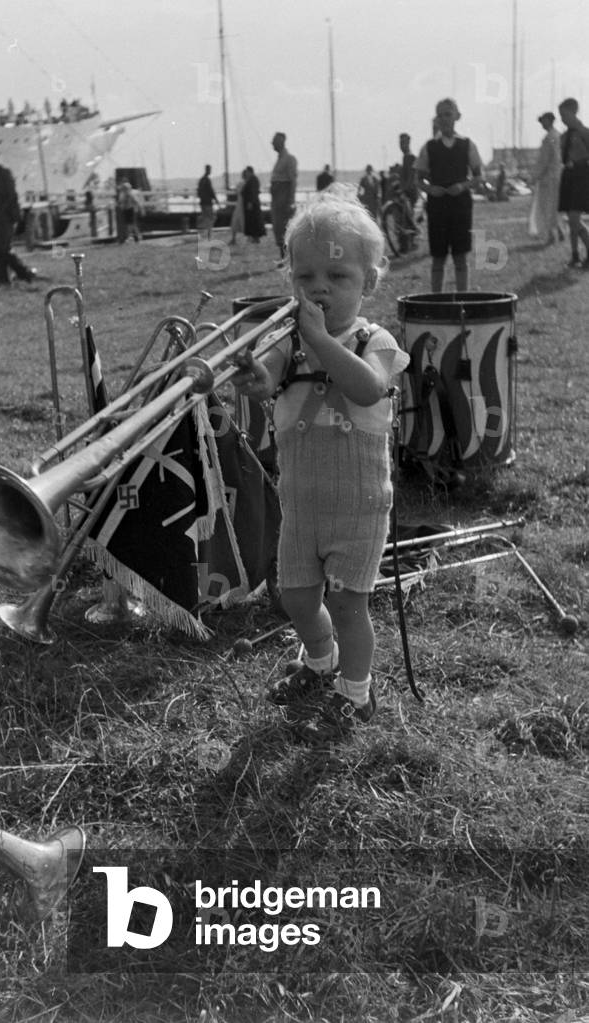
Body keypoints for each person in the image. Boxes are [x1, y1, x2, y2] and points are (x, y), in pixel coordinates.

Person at [231, 185, 410, 741]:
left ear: (370, 283)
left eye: (338, 279)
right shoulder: (288, 342)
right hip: (302, 499)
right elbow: (265, 380)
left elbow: (366, 388)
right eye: (306, 279)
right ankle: (320, 659)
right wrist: (253, 376)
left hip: (358, 503)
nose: (320, 290)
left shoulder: (372, 339)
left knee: (349, 601)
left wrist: (317, 340)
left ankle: (356, 690)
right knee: (297, 596)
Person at [415, 98, 482, 292]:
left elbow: (478, 177)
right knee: (438, 256)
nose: (444, 119)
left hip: (460, 204)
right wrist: (431, 189)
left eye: (448, 114)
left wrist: (462, 186)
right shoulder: (429, 147)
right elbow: (418, 179)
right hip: (437, 205)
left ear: (457, 117)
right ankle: (437, 301)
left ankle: (464, 298)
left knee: (460, 256)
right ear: (436, 119)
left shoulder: (467, 145)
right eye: (440, 115)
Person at [0, 147, 36, 286]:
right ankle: (2, 279)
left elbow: (11, 195)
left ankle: (25, 272)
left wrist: (3, 212)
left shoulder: (4, 173)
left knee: (4, 249)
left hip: (4, 217)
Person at [557, 97, 589, 268]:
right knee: (572, 219)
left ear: (574, 112)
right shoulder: (563, 137)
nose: (562, 118)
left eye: (564, 114)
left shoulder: (584, 133)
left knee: (575, 217)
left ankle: (575, 255)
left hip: (581, 174)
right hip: (568, 175)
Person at [529, 112, 564, 246]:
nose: (542, 124)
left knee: (546, 207)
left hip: (548, 178)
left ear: (550, 120)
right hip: (556, 176)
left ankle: (551, 235)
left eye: (543, 121)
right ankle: (559, 231)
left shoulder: (549, 138)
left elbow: (544, 161)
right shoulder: (558, 136)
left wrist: (534, 176)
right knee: (554, 207)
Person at [270, 132, 298, 264]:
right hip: (276, 198)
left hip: (284, 198)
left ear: (281, 142)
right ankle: (284, 258)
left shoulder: (289, 159)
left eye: (274, 141)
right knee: (278, 229)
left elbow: (292, 180)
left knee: (284, 229)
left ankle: (288, 259)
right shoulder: (279, 159)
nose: (272, 144)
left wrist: (290, 200)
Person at [242, 166, 265, 242]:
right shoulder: (251, 179)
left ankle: (256, 237)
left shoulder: (253, 179)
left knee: (254, 221)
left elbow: (253, 192)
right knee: (252, 221)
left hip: (252, 204)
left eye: (247, 172)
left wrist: (250, 202)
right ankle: (253, 237)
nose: (246, 173)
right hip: (251, 203)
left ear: (250, 171)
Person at [197, 165, 218, 239]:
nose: (210, 171)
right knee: (210, 219)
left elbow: (198, 192)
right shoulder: (207, 180)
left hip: (202, 202)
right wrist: (216, 200)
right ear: (208, 170)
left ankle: (204, 235)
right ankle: (209, 236)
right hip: (208, 202)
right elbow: (211, 191)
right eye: (210, 170)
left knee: (205, 218)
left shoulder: (201, 180)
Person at [229, 169, 246, 244]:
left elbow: (236, 191)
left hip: (240, 204)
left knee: (236, 221)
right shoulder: (245, 183)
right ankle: (234, 239)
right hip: (242, 204)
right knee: (240, 221)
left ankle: (234, 238)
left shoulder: (241, 183)